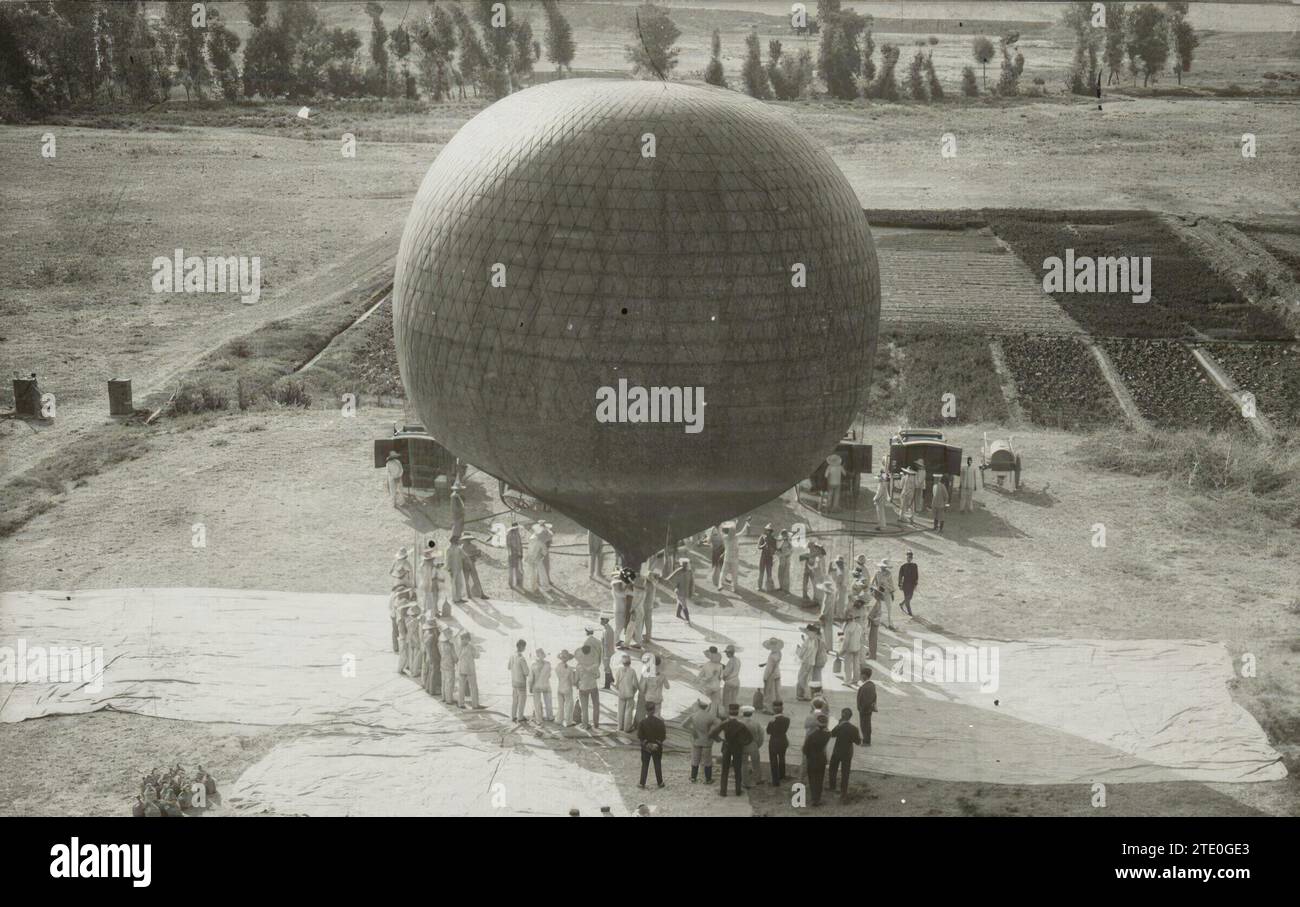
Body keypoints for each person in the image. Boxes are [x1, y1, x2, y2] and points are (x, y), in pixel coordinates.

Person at [711, 703, 753, 797]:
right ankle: (738, 791)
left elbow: (712, 734)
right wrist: (742, 743)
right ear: (737, 712)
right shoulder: (741, 725)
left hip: (726, 747)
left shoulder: (725, 724)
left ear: (728, 712)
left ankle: (723, 792)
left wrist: (720, 740)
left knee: (725, 769)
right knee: (737, 769)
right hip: (737, 748)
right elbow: (750, 738)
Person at [828, 707, 862, 798]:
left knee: (833, 769)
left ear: (842, 716)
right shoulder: (854, 729)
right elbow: (858, 742)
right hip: (847, 753)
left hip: (837, 751)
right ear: (850, 717)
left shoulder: (839, 726)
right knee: (845, 772)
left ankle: (832, 786)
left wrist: (835, 723)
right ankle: (844, 791)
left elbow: (831, 734)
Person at [683, 699, 720, 784]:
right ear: (707, 707)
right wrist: (712, 731)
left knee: (695, 759)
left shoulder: (693, 715)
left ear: (699, 705)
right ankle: (708, 779)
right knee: (707, 761)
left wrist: (692, 730)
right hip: (707, 741)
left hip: (696, 740)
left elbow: (683, 724)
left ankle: (693, 778)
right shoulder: (710, 716)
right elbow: (719, 724)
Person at [802, 712, 831, 806]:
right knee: (820, 779)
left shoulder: (812, 736)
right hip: (821, 759)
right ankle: (818, 798)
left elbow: (805, 749)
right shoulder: (828, 735)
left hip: (812, 760)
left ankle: (814, 798)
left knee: (812, 779)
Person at [637, 702, 667, 789]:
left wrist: (648, 744)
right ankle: (660, 782)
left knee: (645, 765)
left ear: (646, 711)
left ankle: (642, 783)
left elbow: (640, 736)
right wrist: (656, 744)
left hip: (646, 748)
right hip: (657, 747)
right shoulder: (660, 722)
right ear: (654, 710)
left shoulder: (642, 723)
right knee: (657, 764)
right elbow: (663, 736)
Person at [575, 639, 602, 730]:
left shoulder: (579, 666)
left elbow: (576, 679)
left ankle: (585, 724)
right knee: (596, 705)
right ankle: (596, 723)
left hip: (583, 687)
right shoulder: (594, 665)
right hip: (593, 686)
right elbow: (598, 676)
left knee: (584, 707)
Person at [614, 652, 640, 732]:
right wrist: (635, 690)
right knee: (628, 711)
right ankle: (627, 728)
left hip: (621, 693)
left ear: (622, 662)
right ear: (630, 662)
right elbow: (635, 684)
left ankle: (620, 726)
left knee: (620, 710)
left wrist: (619, 689)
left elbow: (616, 683)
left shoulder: (619, 670)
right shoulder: (632, 671)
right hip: (629, 693)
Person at [740, 704, 765, 787]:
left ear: (743, 713)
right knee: (756, 763)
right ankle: (758, 779)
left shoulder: (739, 723)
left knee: (744, 764)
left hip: (742, 746)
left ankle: (745, 782)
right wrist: (758, 745)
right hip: (753, 745)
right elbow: (761, 736)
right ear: (751, 714)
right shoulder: (756, 723)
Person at [721, 519, 749, 592]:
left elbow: (730, 530)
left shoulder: (725, 537)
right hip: (734, 559)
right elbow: (743, 532)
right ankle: (734, 588)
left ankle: (721, 584)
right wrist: (746, 523)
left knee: (724, 572)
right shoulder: (736, 537)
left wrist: (735, 523)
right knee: (734, 574)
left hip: (727, 558)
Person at [842, 600, 865, 684]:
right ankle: (856, 679)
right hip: (857, 647)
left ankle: (848, 680)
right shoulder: (858, 626)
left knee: (848, 664)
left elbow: (845, 640)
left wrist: (842, 650)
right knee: (856, 664)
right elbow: (861, 638)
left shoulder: (847, 628)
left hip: (849, 648)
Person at [456, 630, 480, 709]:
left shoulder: (458, 646)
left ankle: (461, 703)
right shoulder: (470, 646)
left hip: (461, 668)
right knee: (473, 687)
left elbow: (457, 656)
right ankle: (475, 704)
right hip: (469, 669)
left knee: (461, 687)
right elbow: (477, 656)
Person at [767, 701, 790, 784]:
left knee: (773, 760)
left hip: (773, 741)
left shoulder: (772, 720)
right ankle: (782, 774)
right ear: (782, 709)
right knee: (782, 757)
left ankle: (775, 780)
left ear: (773, 709)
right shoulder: (787, 719)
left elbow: (768, 731)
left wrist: (771, 722)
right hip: (783, 740)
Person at [641, 654, 669, 722]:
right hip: (657, 698)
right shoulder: (662, 675)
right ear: (659, 664)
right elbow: (667, 687)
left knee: (649, 715)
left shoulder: (647, 675)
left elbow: (642, 688)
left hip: (649, 698)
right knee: (657, 714)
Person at [871, 559, 896, 631]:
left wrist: (892, 593)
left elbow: (891, 584)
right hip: (879, 592)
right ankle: (880, 623)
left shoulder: (889, 573)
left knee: (889, 608)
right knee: (880, 608)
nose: (883, 567)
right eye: (882, 566)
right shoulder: (877, 573)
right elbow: (872, 583)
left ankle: (890, 624)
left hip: (887, 592)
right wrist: (875, 589)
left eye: (885, 566)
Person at [508, 639, 530, 722]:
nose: (525, 648)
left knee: (515, 700)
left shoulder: (512, 655)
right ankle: (520, 717)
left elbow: (509, 667)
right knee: (522, 700)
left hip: (514, 681)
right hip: (521, 682)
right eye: (524, 646)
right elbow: (527, 672)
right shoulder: (521, 658)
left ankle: (513, 716)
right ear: (521, 646)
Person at [699, 646, 724, 716]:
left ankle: (707, 713)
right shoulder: (719, 657)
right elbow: (720, 676)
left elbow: (704, 652)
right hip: (716, 683)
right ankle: (714, 713)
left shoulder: (708, 662)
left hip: (709, 684)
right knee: (715, 701)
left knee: (707, 699)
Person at [530, 647, 553, 723]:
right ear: (543, 655)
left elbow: (531, 678)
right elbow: (549, 675)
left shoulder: (533, 665)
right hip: (546, 685)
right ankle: (550, 717)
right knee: (548, 702)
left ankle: (539, 719)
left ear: (537, 655)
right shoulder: (548, 664)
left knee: (537, 703)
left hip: (537, 685)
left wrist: (530, 687)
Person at [667, 558, 693, 622]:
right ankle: (688, 619)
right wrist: (675, 586)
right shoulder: (679, 570)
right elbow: (670, 578)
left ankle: (678, 614)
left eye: (686, 564)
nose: (685, 565)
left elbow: (691, 582)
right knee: (684, 604)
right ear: (682, 564)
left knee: (680, 602)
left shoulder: (689, 571)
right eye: (684, 564)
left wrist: (691, 591)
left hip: (685, 591)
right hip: (679, 591)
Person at [611, 569, 633, 644]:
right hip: (618, 609)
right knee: (618, 626)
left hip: (622, 609)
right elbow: (622, 594)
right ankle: (615, 641)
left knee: (621, 625)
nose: (619, 584)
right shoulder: (616, 590)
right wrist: (627, 590)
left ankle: (616, 640)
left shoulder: (620, 588)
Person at [555, 650, 577, 727]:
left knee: (560, 705)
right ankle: (568, 722)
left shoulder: (557, 666)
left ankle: (559, 720)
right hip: (567, 688)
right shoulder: (569, 668)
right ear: (568, 659)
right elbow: (572, 681)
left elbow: (558, 676)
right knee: (569, 705)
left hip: (560, 687)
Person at [418, 543, 441, 615]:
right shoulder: (433, 566)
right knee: (435, 597)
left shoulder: (422, 565)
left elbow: (420, 573)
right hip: (432, 582)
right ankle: (435, 611)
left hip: (424, 582)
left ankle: (424, 610)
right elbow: (434, 575)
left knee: (425, 596)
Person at [438, 623, 458, 704]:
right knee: (450, 682)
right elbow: (455, 657)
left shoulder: (439, 643)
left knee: (444, 681)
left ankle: (444, 697)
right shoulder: (450, 645)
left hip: (442, 662)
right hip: (449, 664)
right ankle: (449, 699)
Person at [761, 637, 783, 710]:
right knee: (777, 692)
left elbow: (770, 668)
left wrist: (765, 677)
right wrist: (765, 664)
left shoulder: (772, 656)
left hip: (771, 674)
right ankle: (778, 708)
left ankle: (769, 708)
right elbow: (774, 663)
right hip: (777, 673)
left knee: (769, 692)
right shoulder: (779, 653)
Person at [421, 614, 441, 696]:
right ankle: (432, 689)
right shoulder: (433, 635)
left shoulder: (426, 633)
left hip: (429, 655)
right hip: (433, 655)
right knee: (434, 671)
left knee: (430, 671)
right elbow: (436, 647)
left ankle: (428, 687)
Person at [856, 667, 877, 745]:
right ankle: (866, 739)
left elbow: (867, 700)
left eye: (861, 675)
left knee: (865, 725)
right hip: (866, 709)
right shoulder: (870, 685)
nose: (860, 676)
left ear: (864, 676)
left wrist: (862, 709)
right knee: (865, 725)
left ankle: (866, 741)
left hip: (864, 710)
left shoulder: (867, 687)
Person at [445, 536, 468, 604]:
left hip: (458, 568)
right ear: (455, 541)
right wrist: (449, 569)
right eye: (458, 540)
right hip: (452, 569)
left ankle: (459, 598)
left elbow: (465, 556)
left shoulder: (458, 549)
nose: (459, 542)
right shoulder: (449, 549)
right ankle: (454, 599)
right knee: (453, 584)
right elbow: (447, 560)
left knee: (459, 583)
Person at [898, 550, 919, 618]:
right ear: (906, 557)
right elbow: (900, 576)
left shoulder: (915, 565)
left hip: (912, 585)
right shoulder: (903, 566)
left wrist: (915, 584)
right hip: (905, 585)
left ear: (912, 558)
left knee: (909, 597)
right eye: (908, 557)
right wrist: (900, 584)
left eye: (910, 557)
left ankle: (901, 604)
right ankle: (910, 613)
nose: (909, 558)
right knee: (907, 600)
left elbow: (916, 575)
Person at [757, 524, 777, 591]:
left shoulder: (773, 539)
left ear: (771, 531)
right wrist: (764, 545)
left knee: (769, 572)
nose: (768, 532)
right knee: (761, 572)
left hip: (769, 557)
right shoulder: (762, 537)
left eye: (769, 530)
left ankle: (769, 587)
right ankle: (759, 587)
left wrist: (772, 550)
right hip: (763, 556)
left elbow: (775, 549)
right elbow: (758, 546)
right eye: (767, 530)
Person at [721, 644, 741, 709]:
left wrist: (721, 670)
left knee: (726, 701)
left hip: (729, 682)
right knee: (733, 700)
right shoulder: (737, 660)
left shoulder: (730, 661)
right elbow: (734, 670)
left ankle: (727, 715)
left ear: (729, 653)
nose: (726, 654)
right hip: (736, 681)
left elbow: (726, 673)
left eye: (726, 653)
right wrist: (725, 667)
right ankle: (733, 713)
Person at [505, 520, 524, 588]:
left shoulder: (517, 534)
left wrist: (521, 553)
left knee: (518, 568)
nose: (517, 529)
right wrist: (511, 554)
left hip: (518, 554)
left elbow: (520, 544)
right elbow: (509, 545)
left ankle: (518, 582)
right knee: (512, 568)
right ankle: (511, 583)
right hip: (512, 554)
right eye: (516, 528)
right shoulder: (509, 535)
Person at [601, 616, 616, 689]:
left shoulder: (607, 630)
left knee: (606, 667)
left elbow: (606, 643)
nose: (600, 621)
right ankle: (612, 679)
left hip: (607, 652)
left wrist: (605, 654)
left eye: (601, 620)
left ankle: (607, 685)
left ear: (605, 621)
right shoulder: (607, 628)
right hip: (608, 651)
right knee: (607, 666)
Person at [866, 594, 882, 661]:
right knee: (873, 639)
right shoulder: (879, 602)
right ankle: (872, 654)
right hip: (876, 622)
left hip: (874, 622)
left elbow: (871, 614)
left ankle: (872, 655)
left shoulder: (876, 603)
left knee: (872, 639)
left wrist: (868, 618)